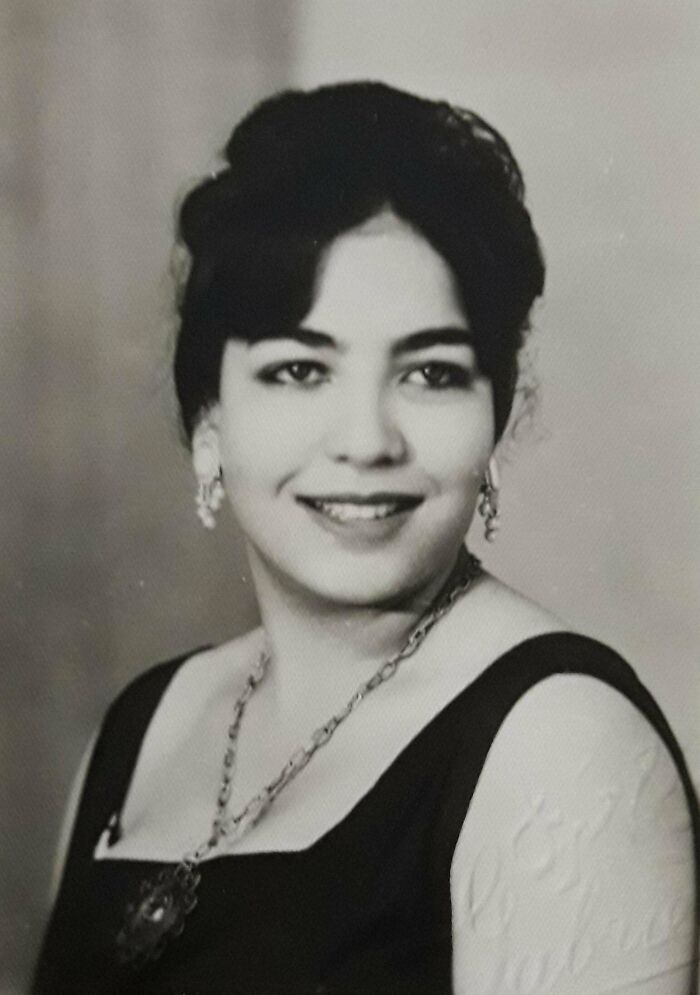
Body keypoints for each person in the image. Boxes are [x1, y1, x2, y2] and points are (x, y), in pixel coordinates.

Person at [33, 81, 698, 994]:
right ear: (209, 420)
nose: (367, 440)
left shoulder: (561, 746)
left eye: (429, 372)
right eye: (300, 368)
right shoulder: (143, 727)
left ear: (495, 418)